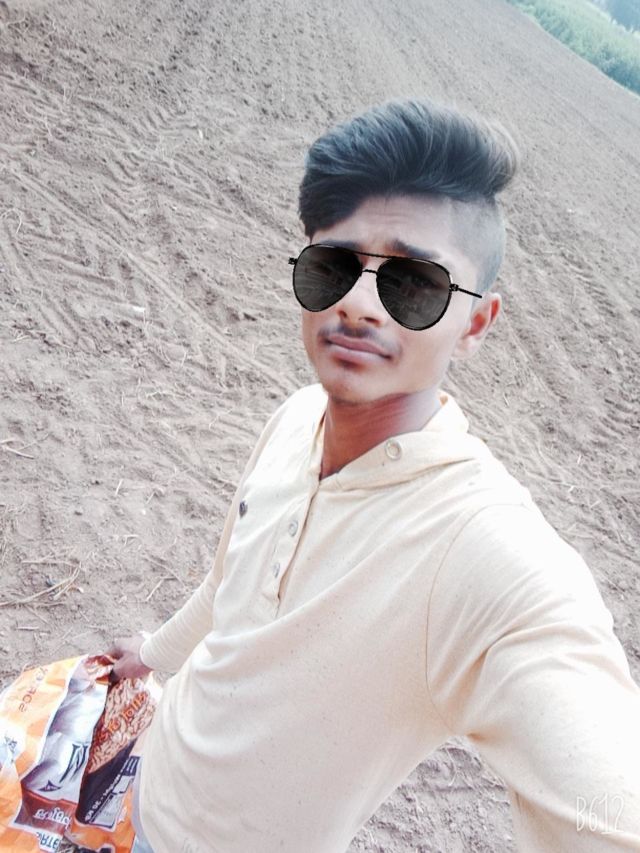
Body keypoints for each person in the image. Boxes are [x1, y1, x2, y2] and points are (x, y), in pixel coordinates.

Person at [109, 98, 640, 853]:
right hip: (137, 791)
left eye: (413, 282)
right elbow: (231, 579)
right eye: (334, 265)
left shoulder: (485, 553)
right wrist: (156, 654)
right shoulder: (296, 417)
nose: (357, 305)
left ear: (476, 322)